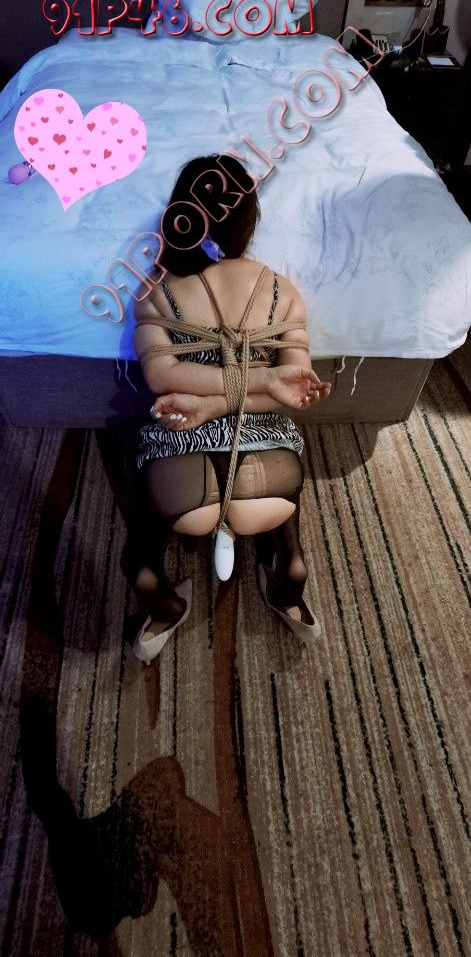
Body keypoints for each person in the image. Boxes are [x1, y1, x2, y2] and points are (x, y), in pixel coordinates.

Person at [130, 154, 331, 661]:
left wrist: (205, 408)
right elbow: (291, 387)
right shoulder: (283, 291)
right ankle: (289, 575)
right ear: (249, 221)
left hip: (184, 486)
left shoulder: (155, 290)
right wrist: (263, 380)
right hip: (269, 484)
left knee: (145, 513)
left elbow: (161, 377)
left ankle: (154, 593)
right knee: (285, 473)